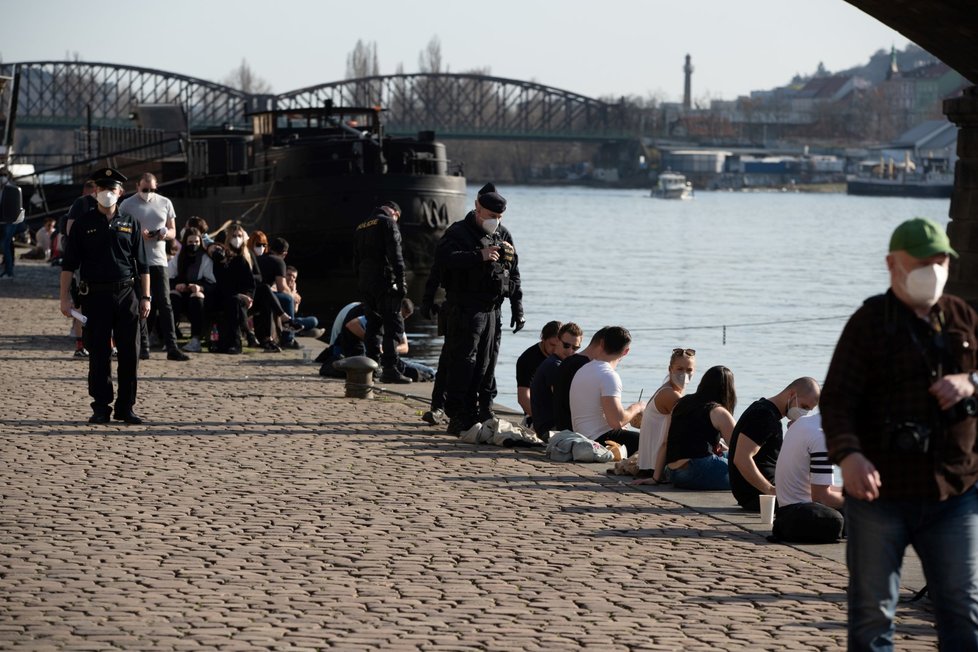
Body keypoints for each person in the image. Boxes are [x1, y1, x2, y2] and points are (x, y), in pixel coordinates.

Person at [821, 217, 978, 650]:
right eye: (924, 260)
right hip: (880, 495)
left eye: (941, 259)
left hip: (954, 490)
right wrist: (849, 456)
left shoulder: (963, 316)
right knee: (873, 614)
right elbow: (836, 401)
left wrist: (971, 383)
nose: (935, 268)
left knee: (962, 609)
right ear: (894, 264)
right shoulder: (869, 323)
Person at [58, 167, 151, 424]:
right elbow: (68, 265)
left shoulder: (130, 223)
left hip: (126, 294)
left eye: (112, 189)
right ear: (95, 192)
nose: (106, 194)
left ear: (120, 193)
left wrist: (146, 297)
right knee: (98, 354)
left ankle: (126, 407)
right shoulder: (83, 224)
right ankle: (101, 406)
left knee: (130, 354)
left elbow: (143, 265)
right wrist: (64, 298)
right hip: (95, 296)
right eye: (102, 189)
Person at [437, 183, 523, 433]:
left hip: (492, 308)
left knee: (488, 362)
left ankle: (484, 409)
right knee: (464, 361)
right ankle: (458, 414)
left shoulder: (503, 235)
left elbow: (513, 273)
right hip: (465, 306)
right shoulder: (458, 232)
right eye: (491, 216)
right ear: (478, 209)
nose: (495, 221)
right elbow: (444, 260)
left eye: (499, 217)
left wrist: (518, 307)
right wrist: (479, 256)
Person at [119, 173, 189, 361]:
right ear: (137, 186)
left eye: (152, 190)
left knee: (165, 303)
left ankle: (172, 346)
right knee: (139, 303)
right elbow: (119, 229)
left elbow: (173, 231)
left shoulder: (165, 203)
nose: (148, 193)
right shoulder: (127, 204)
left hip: (159, 260)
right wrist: (136, 235)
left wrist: (162, 234)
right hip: (136, 261)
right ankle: (143, 345)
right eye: (144, 189)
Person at [728, 377, 821, 512]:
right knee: (826, 501)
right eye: (804, 407)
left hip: (760, 493)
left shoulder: (765, 410)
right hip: (758, 496)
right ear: (792, 394)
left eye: (809, 410)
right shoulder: (764, 416)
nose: (804, 413)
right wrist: (770, 490)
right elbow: (741, 459)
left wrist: (795, 434)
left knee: (827, 493)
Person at [354, 201, 410, 383]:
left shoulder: (361, 226)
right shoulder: (388, 223)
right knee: (393, 325)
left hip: (365, 282)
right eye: (397, 218)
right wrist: (401, 282)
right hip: (385, 280)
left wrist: (361, 282)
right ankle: (390, 369)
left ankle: (372, 366)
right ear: (394, 212)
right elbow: (396, 254)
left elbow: (356, 259)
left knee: (373, 324)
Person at [567, 326, 644, 454]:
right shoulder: (609, 375)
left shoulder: (583, 369)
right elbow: (617, 421)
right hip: (599, 440)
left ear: (601, 343)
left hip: (582, 435)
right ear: (626, 352)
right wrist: (638, 407)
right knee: (654, 442)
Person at [772, 413, 845, 543]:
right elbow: (822, 497)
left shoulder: (803, 423)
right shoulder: (822, 438)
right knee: (839, 519)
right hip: (799, 513)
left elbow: (819, 486)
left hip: (785, 510)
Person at [663, 365, 737, 490]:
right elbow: (739, 450)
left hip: (672, 472)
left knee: (727, 454)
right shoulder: (718, 411)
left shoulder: (681, 403)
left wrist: (655, 477)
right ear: (728, 390)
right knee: (749, 472)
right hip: (695, 470)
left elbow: (665, 443)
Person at [634, 348, 697, 483]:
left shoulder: (668, 389)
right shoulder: (670, 394)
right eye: (680, 369)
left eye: (689, 370)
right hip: (656, 467)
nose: (685, 374)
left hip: (651, 465)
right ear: (670, 369)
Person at [529, 322, 583, 441]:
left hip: (548, 427)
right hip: (551, 430)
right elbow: (564, 402)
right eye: (566, 345)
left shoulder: (556, 363)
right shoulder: (554, 366)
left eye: (575, 348)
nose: (570, 351)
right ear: (558, 341)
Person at [167, 227, 216, 353]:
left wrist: (200, 287)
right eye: (190, 242)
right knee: (173, 296)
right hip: (181, 295)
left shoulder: (205, 259)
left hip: (198, 298)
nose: (193, 245)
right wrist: (176, 285)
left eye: (196, 242)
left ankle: (196, 340)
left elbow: (212, 282)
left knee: (197, 297)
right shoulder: (178, 258)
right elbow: (168, 278)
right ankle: (170, 338)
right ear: (185, 243)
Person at [211, 223, 256, 354]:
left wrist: (249, 296)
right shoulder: (221, 256)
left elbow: (250, 282)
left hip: (241, 297)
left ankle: (239, 341)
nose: (237, 239)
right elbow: (221, 281)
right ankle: (246, 334)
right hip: (225, 295)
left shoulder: (244, 258)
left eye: (239, 236)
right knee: (233, 301)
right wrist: (239, 295)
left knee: (236, 302)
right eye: (234, 236)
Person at [552, 327, 607, 433]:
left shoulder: (567, 362)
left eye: (575, 347)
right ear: (603, 345)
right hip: (576, 431)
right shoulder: (587, 368)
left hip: (562, 427)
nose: (570, 350)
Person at [516, 320, 562, 426]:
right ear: (542, 338)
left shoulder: (565, 353)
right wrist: (543, 419)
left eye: (558, 345)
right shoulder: (528, 359)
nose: (555, 350)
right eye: (552, 345)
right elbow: (523, 398)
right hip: (537, 414)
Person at [285, 266, 324, 338]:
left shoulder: (293, 292)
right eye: (289, 275)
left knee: (314, 320)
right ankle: (301, 332)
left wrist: (296, 302)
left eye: (294, 277)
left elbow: (294, 311)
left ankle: (301, 331)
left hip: (292, 319)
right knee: (313, 322)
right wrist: (293, 292)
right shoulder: (280, 287)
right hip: (285, 321)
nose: (291, 278)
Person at [0, 166, 25, 278]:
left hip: (11, 221)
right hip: (2, 220)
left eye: (4, 175)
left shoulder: (13, 189)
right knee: (7, 245)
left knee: (5, 244)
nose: (2, 178)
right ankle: (7, 268)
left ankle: (9, 271)